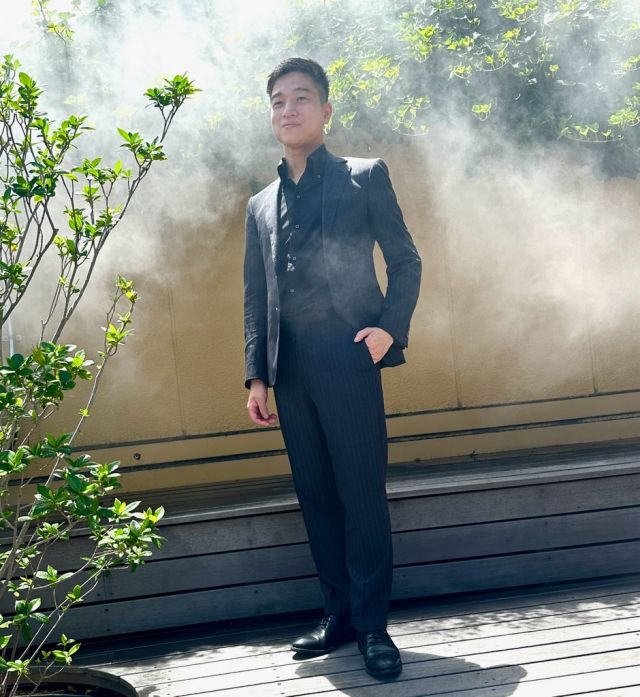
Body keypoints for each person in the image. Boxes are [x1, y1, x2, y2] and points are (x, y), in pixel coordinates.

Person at [243, 57, 421, 678]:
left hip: (347, 353)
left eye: (300, 98)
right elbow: (256, 297)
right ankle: (338, 614)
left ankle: (373, 626)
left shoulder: (363, 176)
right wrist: (257, 376)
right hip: (289, 366)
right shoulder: (260, 205)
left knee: (360, 493)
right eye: (277, 101)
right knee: (316, 495)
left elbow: (406, 261)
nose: (287, 109)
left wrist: (388, 329)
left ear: (325, 110)